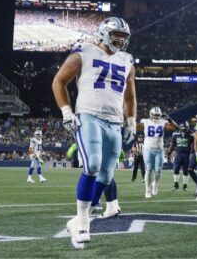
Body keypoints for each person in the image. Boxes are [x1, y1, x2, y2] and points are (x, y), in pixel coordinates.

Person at [52, 16, 136, 249]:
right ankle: (82, 222)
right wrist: (67, 112)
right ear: (105, 33)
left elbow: (130, 95)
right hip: (89, 114)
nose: (120, 40)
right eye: (117, 34)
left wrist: (131, 120)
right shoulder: (85, 50)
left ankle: (78, 219)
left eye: (124, 36)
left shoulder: (127, 59)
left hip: (114, 121)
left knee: (107, 175)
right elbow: (59, 81)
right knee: (92, 164)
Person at [139, 107, 176, 198]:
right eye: (154, 115)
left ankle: (155, 183)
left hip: (159, 149)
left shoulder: (163, 122)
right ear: (150, 114)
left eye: (158, 115)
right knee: (148, 170)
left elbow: (175, 127)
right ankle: (147, 189)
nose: (156, 117)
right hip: (148, 148)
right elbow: (135, 127)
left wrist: (169, 119)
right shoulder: (145, 121)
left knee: (158, 171)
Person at [168, 123, 193, 191]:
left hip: (186, 155)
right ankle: (176, 184)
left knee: (186, 171)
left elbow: (195, 143)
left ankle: (185, 185)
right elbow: (172, 145)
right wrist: (169, 153)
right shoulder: (175, 135)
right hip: (178, 154)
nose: (183, 130)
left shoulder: (190, 135)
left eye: (184, 129)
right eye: (182, 129)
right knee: (176, 169)